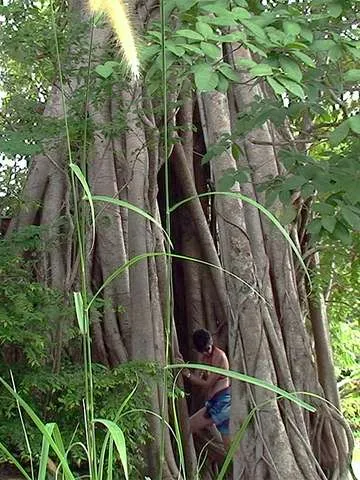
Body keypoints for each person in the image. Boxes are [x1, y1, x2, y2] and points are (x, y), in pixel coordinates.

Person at [180, 329, 231, 449]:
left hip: (223, 404)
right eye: (203, 351)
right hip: (212, 405)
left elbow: (207, 384)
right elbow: (198, 377)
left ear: (211, 342)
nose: (206, 352)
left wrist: (187, 374)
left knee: (230, 448)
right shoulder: (204, 357)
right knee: (187, 426)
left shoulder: (220, 357)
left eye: (208, 349)